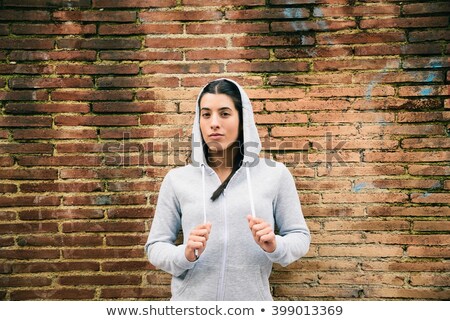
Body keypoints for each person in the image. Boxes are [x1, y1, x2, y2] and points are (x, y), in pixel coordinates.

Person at [145, 78, 310, 301]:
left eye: (224, 113)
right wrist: (183, 254)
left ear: (242, 119)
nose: (214, 123)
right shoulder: (177, 180)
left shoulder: (274, 175)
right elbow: (155, 246)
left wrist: (275, 245)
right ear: (198, 121)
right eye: (206, 114)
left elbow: (299, 236)